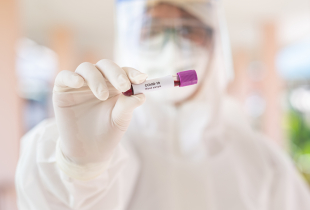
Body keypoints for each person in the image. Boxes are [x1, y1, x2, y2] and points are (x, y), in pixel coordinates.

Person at [15, 0, 310, 209]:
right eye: (152, 31)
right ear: (130, 40)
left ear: (214, 44)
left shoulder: (265, 163)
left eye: (187, 30)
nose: (171, 46)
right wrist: (77, 167)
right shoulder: (111, 144)